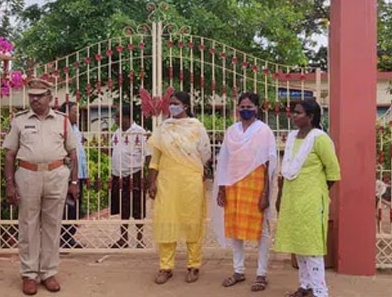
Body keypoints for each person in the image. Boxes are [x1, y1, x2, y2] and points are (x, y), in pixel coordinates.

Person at [3, 79, 80, 295]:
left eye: (40, 96)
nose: (35, 99)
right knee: (28, 225)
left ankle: (48, 272)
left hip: (56, 175)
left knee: (52, 225)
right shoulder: (19, 120)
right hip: (27, 175)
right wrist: (9, 184)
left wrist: (74, 182)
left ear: (49, 98)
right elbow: (9, 154)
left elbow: (73, 153)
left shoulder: (62, 121)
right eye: (32, 96)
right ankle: (29, 274)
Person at [275, 99, 340, 297]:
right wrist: (280, 196)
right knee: (298, 244)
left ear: (310, 117)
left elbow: (333, 172)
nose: (293, 115)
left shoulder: (320, 139)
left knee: (312, 247)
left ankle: (320, 292)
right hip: (292, 199)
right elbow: (287, 170)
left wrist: (317, 192)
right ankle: (305, 287)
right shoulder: (292, 137)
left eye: (298, 112)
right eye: (293, 112)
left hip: (311, 201)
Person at [213, 92, 277, 292]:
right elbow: (224, 160)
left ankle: (261, 274)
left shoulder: (264, 131)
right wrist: (221, 188)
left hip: (256, 184)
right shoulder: (231, 131)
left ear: (257, 108)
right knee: (235, 229)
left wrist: (266, 193)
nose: (245, 110)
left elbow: (269, 163)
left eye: (249, 107)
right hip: (233, 184)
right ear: (237, 108)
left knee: (261, 230)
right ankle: (238, 270)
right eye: (242, 107)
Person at [147, 91, 211, 285]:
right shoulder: (163, 128)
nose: (172, 106)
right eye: (170, 103)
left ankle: (194, 265)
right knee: (166, 222)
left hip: (190, 181)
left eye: (175, 103)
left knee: (193, 223)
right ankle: (165, 267)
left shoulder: (196, 126)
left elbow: (205, 154)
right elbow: (155, 158)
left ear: (185, 106)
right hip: (167, 182)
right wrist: (152, 182)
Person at [109, 105, 151, 248]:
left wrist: (147, 175)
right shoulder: (116, 132)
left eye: (118, 116)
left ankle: (139, 239)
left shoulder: (139, 132)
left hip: (134, 174)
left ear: (127, 117)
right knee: (123, 208)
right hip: (119, 175)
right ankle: (123, 239)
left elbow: (148, 155)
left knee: (138, 207)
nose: (115, 119)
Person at [59, 101, 88, 249]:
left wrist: (85, 174)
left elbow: (81, 155)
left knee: (75, 208)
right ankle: (63, 238)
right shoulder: (62, 130)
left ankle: (69, 237)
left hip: (79, 175)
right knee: (67, 207)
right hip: (68, 176)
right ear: (66, 113)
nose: (77, 115)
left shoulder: (76, 129)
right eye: (74, 112)